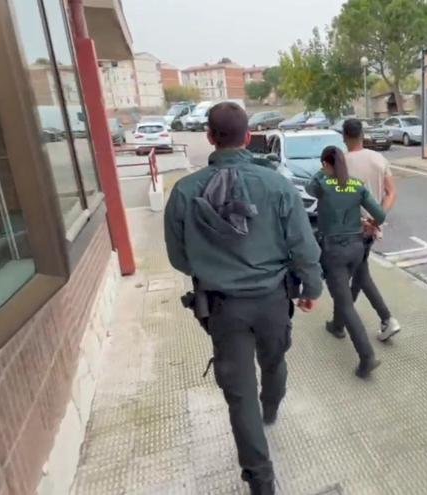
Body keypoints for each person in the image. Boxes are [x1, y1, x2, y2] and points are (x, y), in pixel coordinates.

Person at [164, 102, 322, 495]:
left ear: (209, 137)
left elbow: (178, 258)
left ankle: (261, 481)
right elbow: (304, 246)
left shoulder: (184, 192)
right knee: (274, 360)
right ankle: (272, 407)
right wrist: (313, 288)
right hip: (272, 300)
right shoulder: (277, 185)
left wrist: (214, 267)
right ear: (248, 136)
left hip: (222, 307)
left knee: (239, 396)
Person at [307, 146, 388, 378]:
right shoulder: (356, 184)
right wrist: (369, 223)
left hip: (334, 250)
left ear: (326, 163)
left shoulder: (322, 183)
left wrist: (322, 172)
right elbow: (380, 216)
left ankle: (367, 357)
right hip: (357, 247)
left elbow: (308, 188)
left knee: (344, 301)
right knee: (344, 291)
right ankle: (337, 325)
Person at [325, 118, 401, 342]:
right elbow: (391, 193)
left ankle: (386, 319)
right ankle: (340, 323)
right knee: (360, 274)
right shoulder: (379, 159)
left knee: (354, 277)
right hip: (371, 231)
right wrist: (376, 221)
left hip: (349, 231)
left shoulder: (342, 163)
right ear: (362, 135)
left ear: (345, 137)